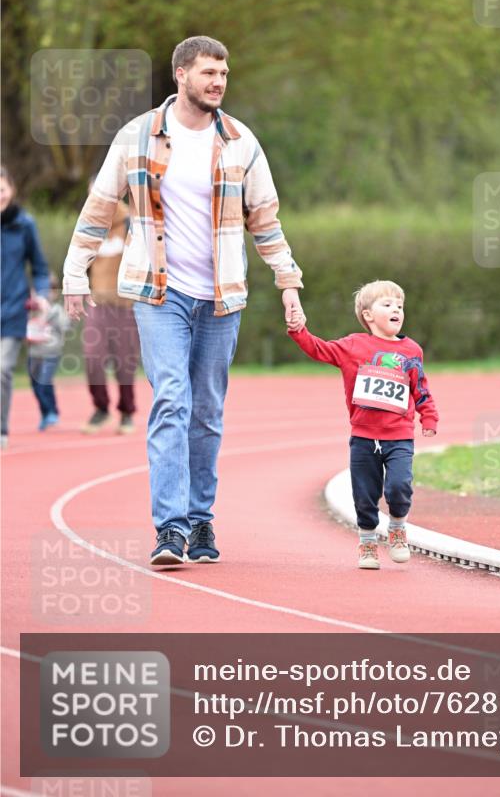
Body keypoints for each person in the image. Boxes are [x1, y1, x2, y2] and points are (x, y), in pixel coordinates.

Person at [63, 35, 304, 565]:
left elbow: (265, 221)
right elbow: (100, 207)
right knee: (172, 400)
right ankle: (169, 529)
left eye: (224, 74)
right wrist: (74, 272)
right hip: (158, 292)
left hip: (221, 299)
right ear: (180, 75)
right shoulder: (136, 137)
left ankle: (200, 521)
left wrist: (288, 282)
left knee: (208, 412)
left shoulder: (242, 142)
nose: (218, 82)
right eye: (208, 73)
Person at [288, 280, 439, 569]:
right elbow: (318, 349)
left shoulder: (411, 350)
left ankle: (397, 527)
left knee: (399, 486)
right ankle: (368, 541)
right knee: (364, 493)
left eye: (400, 305)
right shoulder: (353, 346)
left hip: (399, 436)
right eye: (387, 304)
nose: (396, 308)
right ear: (368, 315)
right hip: (364, 437)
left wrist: (428, 415)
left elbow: (420, 387)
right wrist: (298, 330)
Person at [80, 179, 140, 436]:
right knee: (93, 358)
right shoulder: (89, 225)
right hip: (98, 303)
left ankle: (126, 412)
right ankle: (101, 408)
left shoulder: (131, 222)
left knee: (124, 363)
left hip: (126, 305)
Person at [1, 166, 51, 449]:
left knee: (2, 369)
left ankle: (1, 430)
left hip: (12, 310)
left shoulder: (24, 224)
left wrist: (42, 293)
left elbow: (41, 268)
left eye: (2, 189)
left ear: (11, 190)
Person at [26, 272, 72, 431]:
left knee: (43, 382)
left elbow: (66, 326)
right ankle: (47, 412)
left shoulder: (57, 310)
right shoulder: (31, 308)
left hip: (51, 353)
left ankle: (52, 413)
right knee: (35, 385)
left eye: (50, 290)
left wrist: (50, 315)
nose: (46, 293)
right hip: (34, 353)